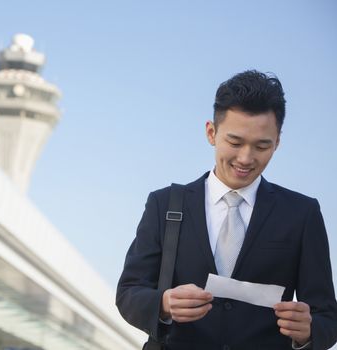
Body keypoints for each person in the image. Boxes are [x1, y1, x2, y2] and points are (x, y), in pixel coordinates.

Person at [116, 70, 337, 350]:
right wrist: (163, 304)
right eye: (235, 142)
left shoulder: (302, 214)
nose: (245, 158)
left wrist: (308, 332)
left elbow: (327, 317)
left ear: (277, 142)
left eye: (262, 146)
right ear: (211, 132)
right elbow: (128, 293)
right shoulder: (165, 204)